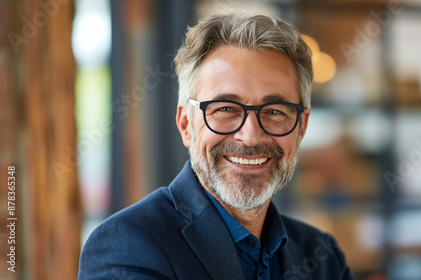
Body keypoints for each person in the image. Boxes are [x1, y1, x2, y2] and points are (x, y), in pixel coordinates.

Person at [79, 13, 353, 280]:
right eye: (225, 108)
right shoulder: (126, 247)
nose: (250, 136)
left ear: (301, 127)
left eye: (275, 111)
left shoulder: (323, 257)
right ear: (186, 125)